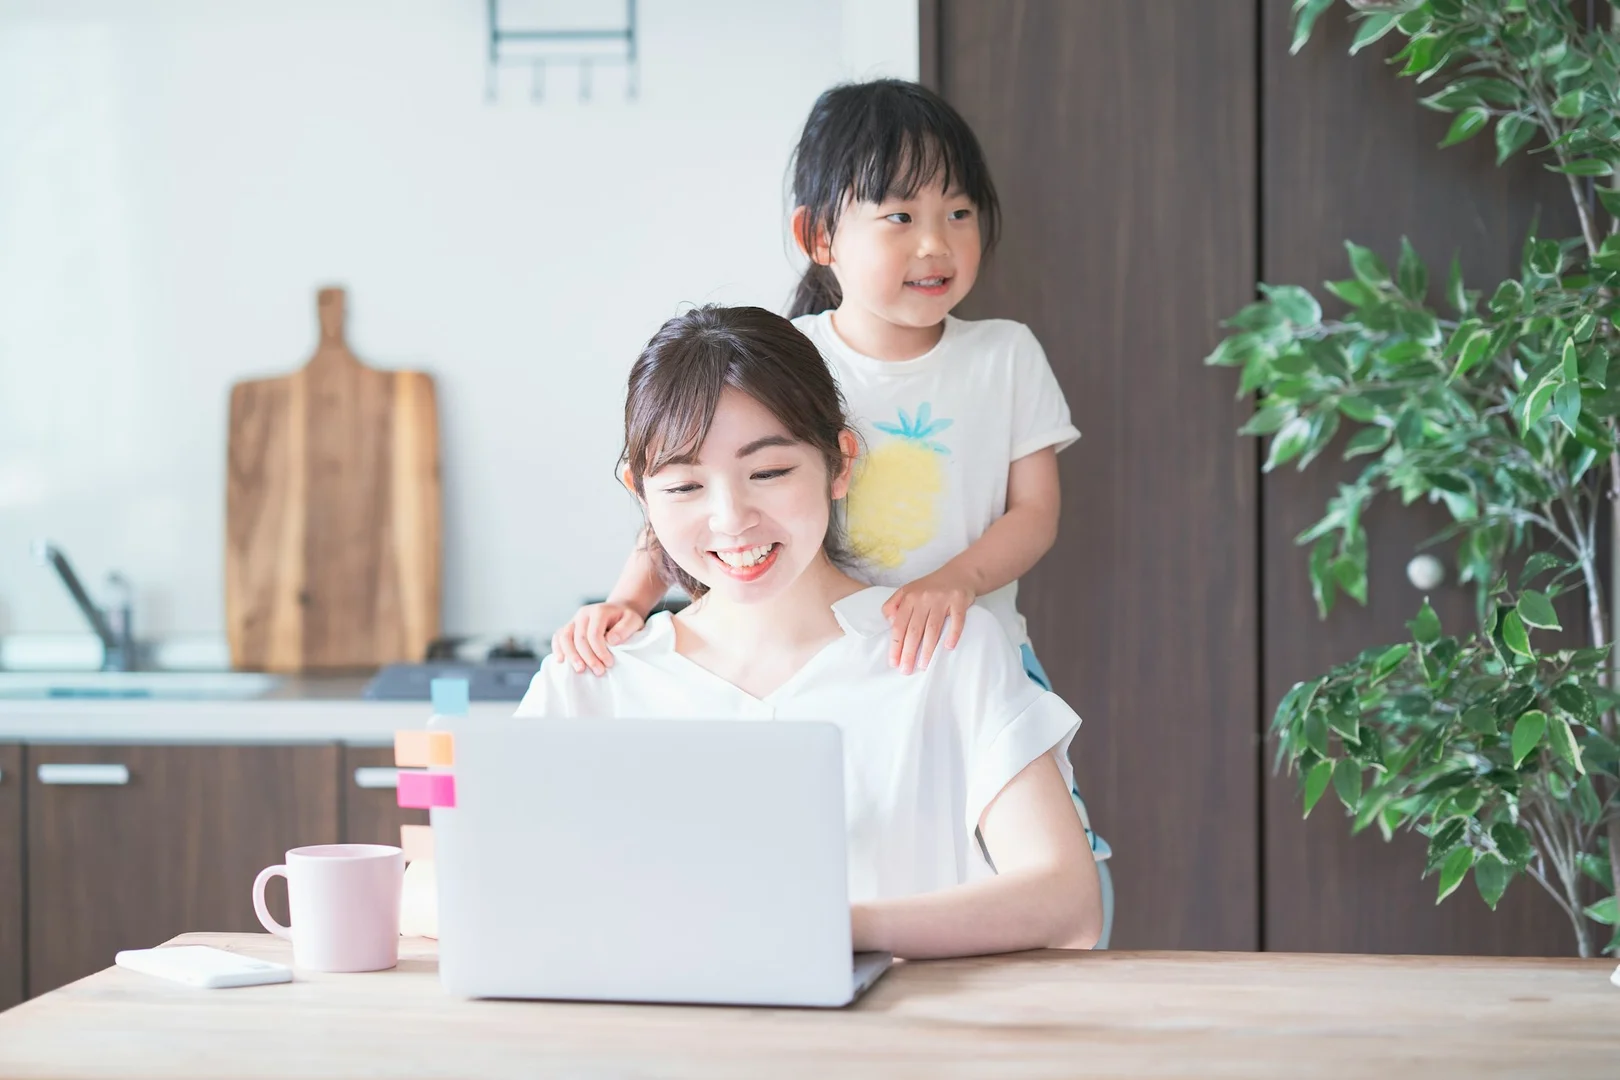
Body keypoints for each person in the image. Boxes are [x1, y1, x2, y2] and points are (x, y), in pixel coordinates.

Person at [519, 305, 1101, 959]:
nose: (731, 519)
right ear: (641, 492)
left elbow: (1069, 905)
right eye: (684, 486)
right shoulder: (594, 674)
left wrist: (835, 930)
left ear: (839, 464)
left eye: (768, 473)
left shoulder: (948, 652)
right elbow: (461, 883)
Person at [553, 78, 1075, 697]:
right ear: (818, 236)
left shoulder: (1006, 354)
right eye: (901, 216)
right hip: (837, 669)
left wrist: (955, 582)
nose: (936, 243)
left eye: (959, 213)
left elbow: (1035, 513)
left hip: (974, 655)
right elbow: (691, 482)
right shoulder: (789, 357)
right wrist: (628, 601)